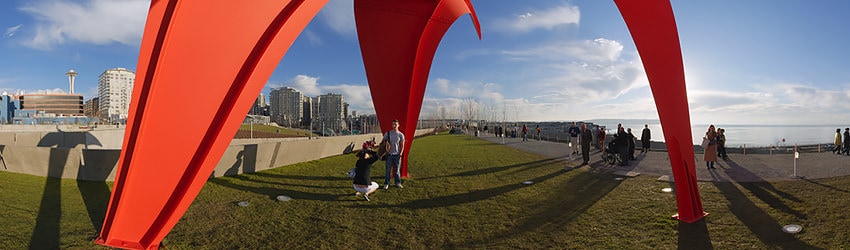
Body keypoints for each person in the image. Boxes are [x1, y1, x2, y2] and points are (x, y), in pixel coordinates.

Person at [382, 119, 406, 189]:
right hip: (389, 155)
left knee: (397, 171)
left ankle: (398, 183)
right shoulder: (388, 133)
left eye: (395, 124)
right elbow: (383, 142)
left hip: (397, 155)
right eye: (393, 124)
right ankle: (386, 183)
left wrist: (401, 153)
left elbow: (402, 145)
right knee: (388, 170)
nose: (394, 125)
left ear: (398, 125)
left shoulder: (401, 135)